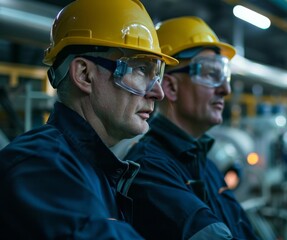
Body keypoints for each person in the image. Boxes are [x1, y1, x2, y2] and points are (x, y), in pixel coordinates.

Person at [0, 0, 177, 239]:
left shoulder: (94, 168)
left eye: (157, 74)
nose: (158, 93)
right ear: (84, 75)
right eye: (140, 70)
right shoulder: (40, 167)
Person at [125, 16, 259, 239]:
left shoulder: (205, 162)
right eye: (210, 74)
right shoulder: (149, 169)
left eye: (224, 75)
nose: (225, 89)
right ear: (170, 87)